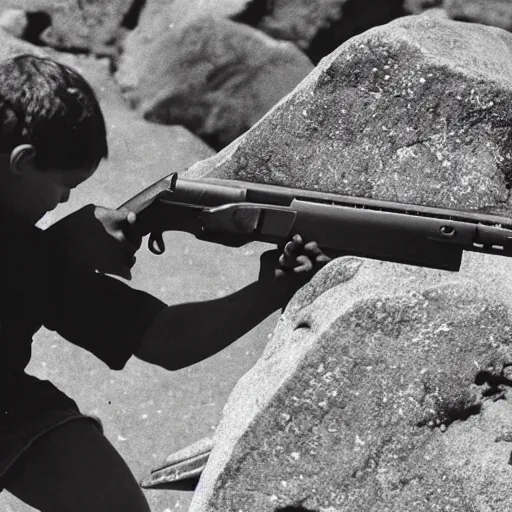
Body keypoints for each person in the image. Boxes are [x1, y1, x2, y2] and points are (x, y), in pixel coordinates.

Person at [0, 54, 331, 511]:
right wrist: (52, 248)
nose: (64, 199)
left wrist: (272, 288)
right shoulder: (38, 256)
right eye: (62, 185)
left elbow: (166, 340)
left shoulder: (39, 259)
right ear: (23, 161)